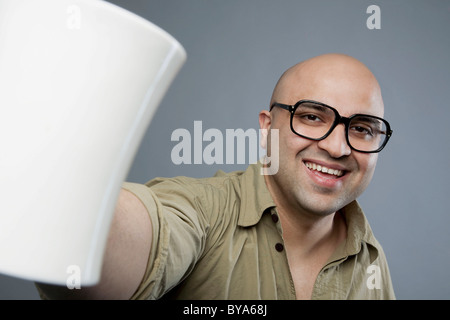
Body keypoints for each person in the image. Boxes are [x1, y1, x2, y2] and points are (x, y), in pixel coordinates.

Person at [36, 53, 395, 300]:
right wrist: (52, 186)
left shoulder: (370, 258)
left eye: (363, 128)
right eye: (312, 117)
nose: (337, 147)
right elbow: (117, 242)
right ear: (268, 128)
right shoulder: (203, 212)